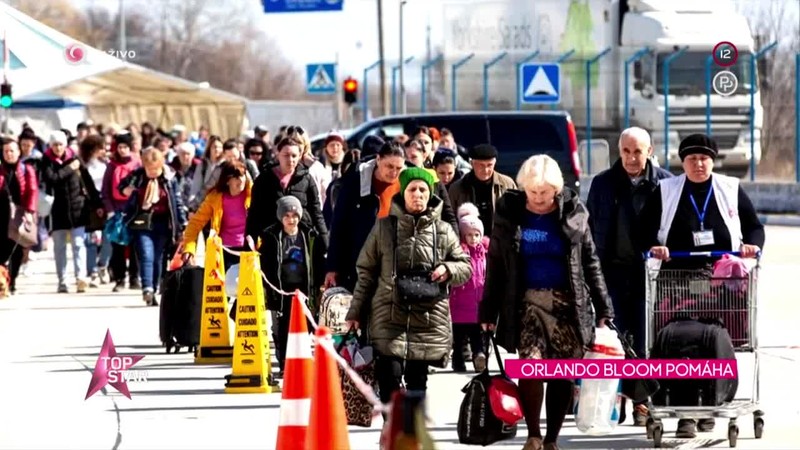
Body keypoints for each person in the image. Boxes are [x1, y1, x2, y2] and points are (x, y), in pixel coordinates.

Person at [480, 155, 614, 450]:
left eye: (545, 193)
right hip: (527, 304)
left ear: (556, 189)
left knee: (562, 372)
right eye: (533, 192)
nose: (539, 199)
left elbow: (590, 262)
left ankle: (552, 438)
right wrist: (487, 310)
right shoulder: (510, 213)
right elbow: (496, 266)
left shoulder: (574, 213)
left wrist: (604, 308)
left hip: (568, 304)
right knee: (531, 367)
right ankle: (533, 435)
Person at [639, 133, 765, 439]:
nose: (698, 164)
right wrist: (654, 248)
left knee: (714, 341)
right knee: (682, 344)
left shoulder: (730, 189)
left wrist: (751, 247)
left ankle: (709, 405)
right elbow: (642, 230)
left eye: (704, 158)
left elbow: (754, 227)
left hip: (720, 280)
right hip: (677, 279)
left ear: (713, 160)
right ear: (682, 162)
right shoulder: (666, 190)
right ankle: (685, 415)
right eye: (692, 159)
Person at [344, 167, 472, 405]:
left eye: (423, 189)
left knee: (417, 382)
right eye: (412, 189)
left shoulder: (443, 231)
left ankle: (411, 437)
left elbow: (465, 267)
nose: (418, 194)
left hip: (427, 319)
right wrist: (355, 312)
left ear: (430, 193)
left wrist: (448, 269)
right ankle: (391, 433)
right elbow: (366, 272)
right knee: (388, 378)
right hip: (388, 316)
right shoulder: (383, 228)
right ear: (403, 193)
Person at [586, 126, 672, 425]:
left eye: (638, 151)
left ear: (649, 151)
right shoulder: (602, 184)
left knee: (646, 337)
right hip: (612, 273)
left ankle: (642, 401)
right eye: (626, 151)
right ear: (618, 152)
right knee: (618, 338)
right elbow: (591, 230)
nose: (632, 158)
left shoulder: (666, 184)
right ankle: (619, 397)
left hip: (651, 276)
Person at [324, 142, 406, 292]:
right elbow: (339, 226)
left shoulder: (407, 183)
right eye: (389, 166)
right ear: (378, 159)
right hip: (359, 262)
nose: (394, 172)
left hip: (395, 263)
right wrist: (333, 267)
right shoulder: (356, 182)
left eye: (398, 168)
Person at [260, 195, 326, 377]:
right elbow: (266, 262)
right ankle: (283, 362)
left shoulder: (310, 235)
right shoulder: (271, 236)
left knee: (305, 325)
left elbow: (318, 262)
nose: (291, 220)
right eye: (287, 216)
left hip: (304, 288)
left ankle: (303, 359)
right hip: (281, 289)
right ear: (280, 217)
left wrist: (319, 285)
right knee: (281, 327)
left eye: (295, 215)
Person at [121, 149, 187, 305]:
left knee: (158, 258)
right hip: (142, 223)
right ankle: (147, 288)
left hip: (164, 224)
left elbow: (177, 202)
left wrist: (183, 224)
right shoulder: (137, 177)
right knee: (146, 255)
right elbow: (121, 187)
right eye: (149, 169)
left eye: (155, 169)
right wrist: (128, 190)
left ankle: (156, 287)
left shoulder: (170, 179)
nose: (152, 173)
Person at [41, 131, 101, 294]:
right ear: (50, 146)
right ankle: (62, 281)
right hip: (57, 211)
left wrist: (98, 204)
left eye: (61, 144)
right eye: (55, 145)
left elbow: (87, 182)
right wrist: (69, 169)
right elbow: (52, 179)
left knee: (79, 244)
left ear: (65, 145)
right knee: (60, 247)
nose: (58, 148)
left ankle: (80, 278)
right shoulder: (46, 161)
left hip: (77, 209)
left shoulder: (75, 159)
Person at [245, 136, 328, 246]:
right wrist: (249, 242)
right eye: (286, 155)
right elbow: (254, 213)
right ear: (278, 154)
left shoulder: (306, 179)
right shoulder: (264, 179)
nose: (290, 159)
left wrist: (325, 241)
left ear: (299, 156)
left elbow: (316, 212)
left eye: (294, 156)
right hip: (271, 241)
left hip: (301, 240)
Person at [181, 159, 252, 271]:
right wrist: (189, 248)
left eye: (243, 176)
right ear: (227, 180)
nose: (241, 180)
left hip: (249, 251)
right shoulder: (215, 198)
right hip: (223, 252)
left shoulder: (253, 194)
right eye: (236, 177)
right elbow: (195, 223)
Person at [448, 202, 489, 373]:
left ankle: (478, 355)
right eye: (469, 235)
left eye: (476, 234)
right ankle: (458, 360)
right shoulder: (460, 253)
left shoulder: (485, 254)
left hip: (477, 304)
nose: (473, 238)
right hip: (459, 303)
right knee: (458, 337)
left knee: (476, 334)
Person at [448, 144, 517, 236]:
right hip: (468, 242)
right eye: (481, 165)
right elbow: (450, 218)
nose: (486, 170)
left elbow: (516, 215)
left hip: (500, 240)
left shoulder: (507, 184)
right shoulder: (457, 188)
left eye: (489, 165)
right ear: (472, 163)